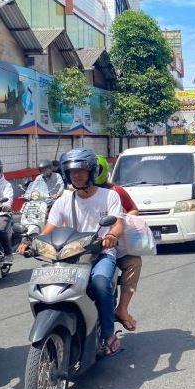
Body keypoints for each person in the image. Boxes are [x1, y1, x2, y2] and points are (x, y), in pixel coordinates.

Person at [22, 149, 125, 354]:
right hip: (68, 254)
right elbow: (49, 229)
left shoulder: (109, 196)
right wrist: (31, 242)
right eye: (72, 172)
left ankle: (108, 334)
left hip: (100, 253)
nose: (77, 175)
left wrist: (111, 237)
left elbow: (118, 223)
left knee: (100, 282)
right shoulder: (63, 201)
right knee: (48, 286)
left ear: (92, 172)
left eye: (82, 171)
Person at [95, 154, 141, 331]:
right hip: (77, 247)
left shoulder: (115, 192)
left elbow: (133, 209)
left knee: (134, 262)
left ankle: (121, 309)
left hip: (110, 245)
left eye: (90, 170)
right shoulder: (71, 194)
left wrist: (121, 223)